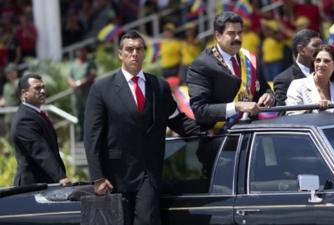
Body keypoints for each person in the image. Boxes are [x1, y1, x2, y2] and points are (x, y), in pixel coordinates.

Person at [84, 30, 201, 225]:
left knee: (146, 220)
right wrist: (97, 177)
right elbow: (92, 136)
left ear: (144, 53)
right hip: (114, 176)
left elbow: (178, 121)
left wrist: (211, 129)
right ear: (120, 54)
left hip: (149, 173)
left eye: (139, 49)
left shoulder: (159, 86)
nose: (134, 54)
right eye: (129, 49)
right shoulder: (101, 88)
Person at [187, 11, 275, 131]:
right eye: (231, 34)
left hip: (252, 137)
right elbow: (200, 110)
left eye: (239, 33)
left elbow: (264, 88)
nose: (237, 38)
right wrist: (237, 107)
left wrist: (269, 95)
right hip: (220, 140)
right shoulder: (202, 65)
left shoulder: (250, 58)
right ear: (218, 36)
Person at [10, 74, 70, 186]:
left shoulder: (35, 114)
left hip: (44, 182)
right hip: (31, 186)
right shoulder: (24, 119)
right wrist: (60, 177)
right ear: (24, 93)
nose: (42, 91)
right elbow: (40, 150)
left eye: (43, 87)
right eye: (37, 88)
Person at [273, 29, 334, 107]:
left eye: (321, 45)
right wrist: (312, 109)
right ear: (301, 49)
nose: (320, 49)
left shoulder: (330, 73)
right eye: (315, 45)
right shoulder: (284, 80)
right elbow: (283, 114)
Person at [285, 44, 334, 115]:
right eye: (318, 60)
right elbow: (291, 115)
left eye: (326, 61)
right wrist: (312, 108)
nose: (321, 64)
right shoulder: (297, 85)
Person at [68, 47, 96, 141]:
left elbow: (92, 75)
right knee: (77, 114)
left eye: (82, 50)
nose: (80, 53)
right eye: (78, 51)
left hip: (87, 93)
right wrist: (74, 85)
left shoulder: (90, 63)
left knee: (89, 113)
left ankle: (90, 134)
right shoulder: (73, 64)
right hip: (76, 95)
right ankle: (79, 134)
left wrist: (79, 83)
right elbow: (69, 77)